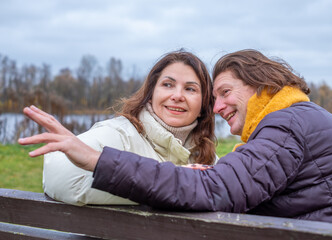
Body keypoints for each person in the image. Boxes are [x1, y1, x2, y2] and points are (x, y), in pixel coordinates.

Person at [19, 49, 332, 225]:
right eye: (167, 84)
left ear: (262, 84)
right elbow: (219, 189)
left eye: (220, 92)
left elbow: (216, 189)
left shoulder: (285, 126)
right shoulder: (294, 121)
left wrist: (190, 182)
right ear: (149, 92)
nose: (220, 105)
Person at [29, 50, 217, 206]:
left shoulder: (204, 154)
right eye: (168, 85)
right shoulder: (120, 134)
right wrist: (176, 188)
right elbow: (61, 177)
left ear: (203, 105)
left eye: (190, 89)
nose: (177, 95)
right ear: (150, 94)